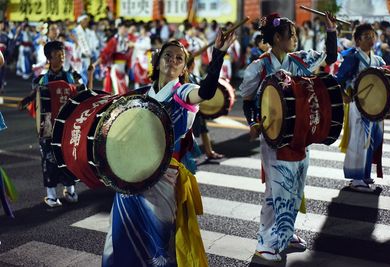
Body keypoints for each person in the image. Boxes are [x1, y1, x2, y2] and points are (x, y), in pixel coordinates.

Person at [102, 30, 236, 267]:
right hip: (130, 175)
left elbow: (205, 92)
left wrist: (219, 54)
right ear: (158, 60)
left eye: (178, 58)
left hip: (163, 178)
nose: (172, 61)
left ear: (184, 68)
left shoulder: (182, 92)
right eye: (168, 55)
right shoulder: (142, 93)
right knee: (121, 235)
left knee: (159, 242)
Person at [239, 12, 337, 261]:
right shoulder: (259, 67)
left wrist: (331, 31)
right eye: (291, 35)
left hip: (299, 134)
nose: (295, 38)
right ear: (277, 37)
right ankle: (265, 243)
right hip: (274, 138)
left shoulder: (299, 61)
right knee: (277, 191)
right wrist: (253, 122)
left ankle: (286, 232)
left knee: (295, 188)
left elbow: (331, 58)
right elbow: (248, 99)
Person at [19, 41, 94, 208]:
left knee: (68, 157)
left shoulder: (73, 76)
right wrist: (26, 100)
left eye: (63, 55)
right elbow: (34, 98)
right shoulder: (40, 80)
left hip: (68, 125)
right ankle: (51, 195)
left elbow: (86, 94)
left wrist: (90, 76)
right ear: (48, 59)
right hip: (48, 127)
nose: (61, 58)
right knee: (49, 158)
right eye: (58, 56)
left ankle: (70, 190)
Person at [336, 23, 386, 193]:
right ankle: (356, 178)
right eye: (366, 37)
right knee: (359, 141)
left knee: (373, 140)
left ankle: (364, 174)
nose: (371, 39)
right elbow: (339, 80)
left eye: (373, 35)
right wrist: (344, 94)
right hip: (359, 106)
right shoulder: (353, 58)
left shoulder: (378, 59)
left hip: (375, 107)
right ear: (357, 40)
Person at [99, 21, 133, 95]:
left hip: (124, 68)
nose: (125, 30)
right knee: (117, 89)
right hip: (116, 66)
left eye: (126, 29)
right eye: (124, 28)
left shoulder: (127, 40)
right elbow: (106, 52)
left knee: (124, 88)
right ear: (119, 28)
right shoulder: (114, 40)